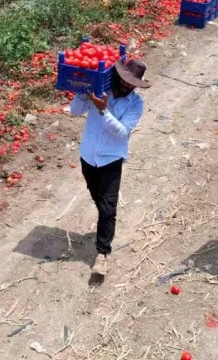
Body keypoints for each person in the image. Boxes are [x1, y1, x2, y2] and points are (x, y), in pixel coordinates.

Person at [70, 58, 151, 277]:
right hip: (88, 156)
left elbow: (122, 132)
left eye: (131, 84)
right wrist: (83, 92)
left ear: (136, 85)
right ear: (117, 76)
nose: (126, 86)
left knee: (108, 208)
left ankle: (102, 253)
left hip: (111, 160)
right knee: (99, 200)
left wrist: (103, 111)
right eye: (124, 81)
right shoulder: (101, 90)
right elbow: (74, 111)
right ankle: (105, 223)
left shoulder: (136, 104)